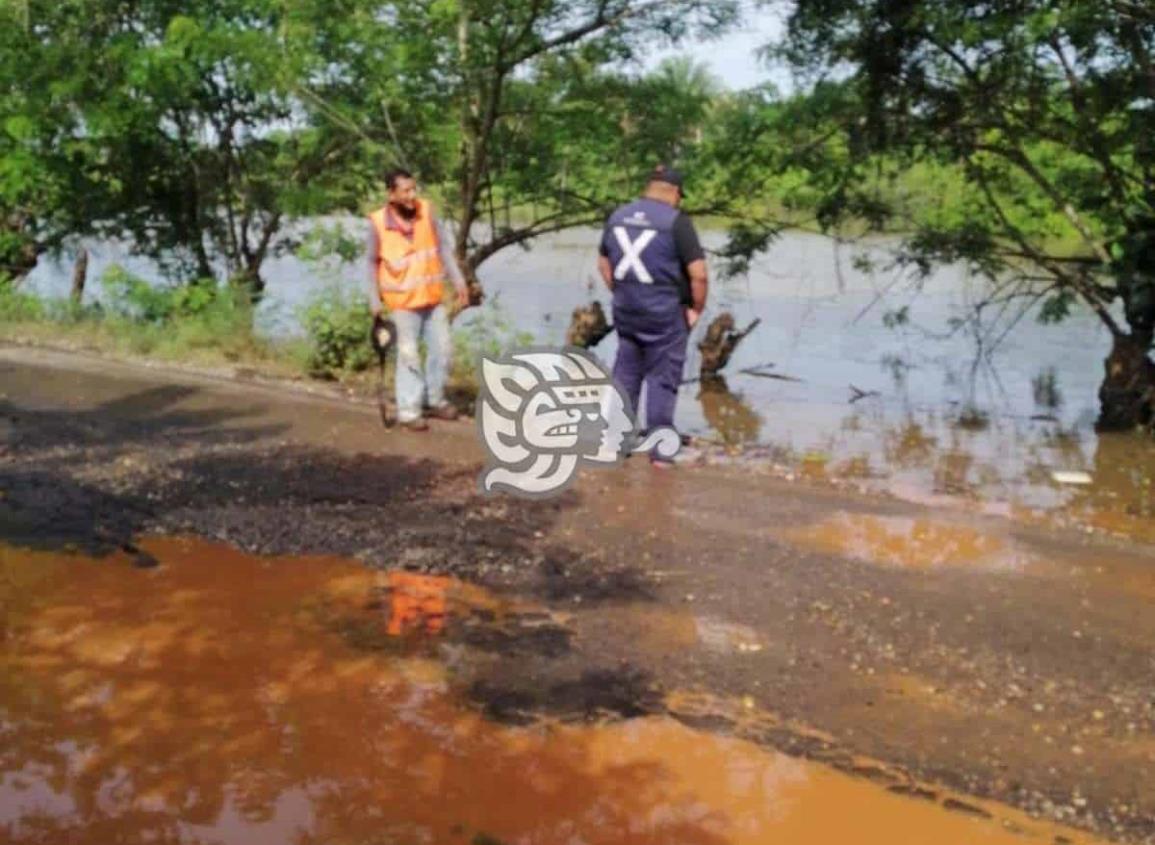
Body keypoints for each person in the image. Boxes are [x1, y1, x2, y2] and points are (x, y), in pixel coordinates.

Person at [597, 164, 709, 467]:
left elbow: (604, 263)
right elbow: (698, 275)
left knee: (626, 372)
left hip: (627, 309)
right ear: (674, 193)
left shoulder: (618, 216)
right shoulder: (676, 222)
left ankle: (614, 443)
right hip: (664, 312)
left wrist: (620, 293)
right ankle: (661, 454)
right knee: (663, 379)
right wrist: (696, 309)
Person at [367, 168, 470, 431]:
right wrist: (374, 301)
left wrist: (458, 280)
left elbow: (443, 249)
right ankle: (409, 411)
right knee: (408, 356)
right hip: (401, 304)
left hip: (432, 300)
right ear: (391, 194)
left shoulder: (427, 211)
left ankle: (433, 399)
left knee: (443, 349)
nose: (412, 195)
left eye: (414, 189)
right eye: (405, 191)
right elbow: (370, 262)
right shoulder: (378, 223)